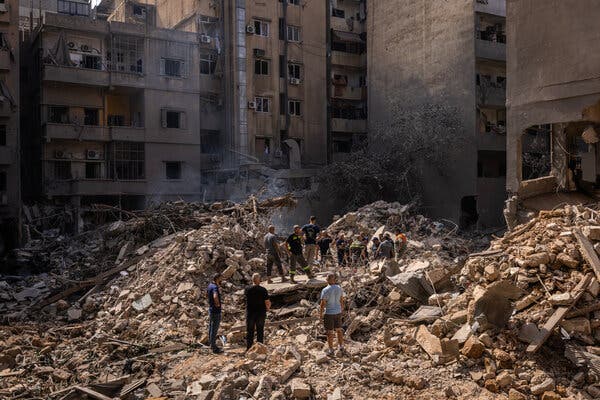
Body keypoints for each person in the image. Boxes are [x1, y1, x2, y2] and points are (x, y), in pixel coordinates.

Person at [319, 273, 346, 356]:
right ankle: (341, 346)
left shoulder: (325, 290)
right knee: (339, 330)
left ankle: (331, 349)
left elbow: (323, 303)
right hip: (337, 312)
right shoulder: (339, 288)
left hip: (329, 313)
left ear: (327, 280)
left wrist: (320, 314)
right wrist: (341, 309)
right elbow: (341, 300)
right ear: (334, 280)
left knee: (329, 332)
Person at [244, 273, 271, 350]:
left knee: (250, 331)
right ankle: (260, 348)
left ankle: (249, 348)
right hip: (260, 313)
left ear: (252, 279)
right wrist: (268, 308)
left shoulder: (247, 289)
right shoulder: (263, 290)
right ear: (259, 280)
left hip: (250, 313)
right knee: (260, 330)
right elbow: (267, 302)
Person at [207, 273, 223, 354]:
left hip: (211, 310)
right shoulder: (215, 287)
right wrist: (217, 304)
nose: (221, 280)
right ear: (217, 278)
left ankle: (211, 343)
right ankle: (214, 347)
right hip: (216, 311)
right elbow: (215, 296)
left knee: (211, 327)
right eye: (220, 278)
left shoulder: (210, 285)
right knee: (214, 328)